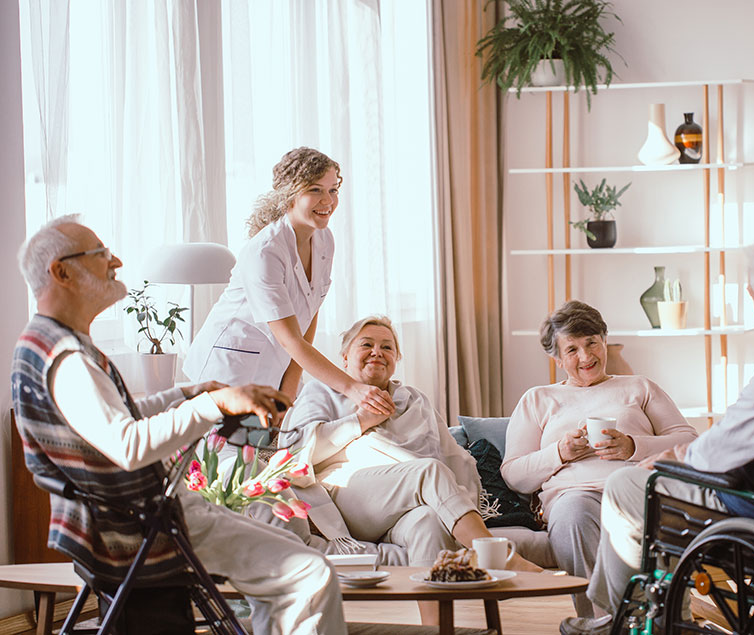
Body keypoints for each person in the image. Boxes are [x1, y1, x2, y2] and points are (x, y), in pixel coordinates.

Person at [11, 215, 346, 635]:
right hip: (145, 522)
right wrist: (212, 404)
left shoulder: (47, 345)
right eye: (100, 255)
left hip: (133, 515)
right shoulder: (70, 361)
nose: (115, 260)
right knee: (310, 574)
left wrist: (188, 393)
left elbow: (122, 416)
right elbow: (128, 444)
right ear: (61, 272)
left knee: (276, 523)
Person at [559, 231, 754, 635]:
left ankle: (624, 617)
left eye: (752, 297)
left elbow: (715, 456)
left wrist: (677, 458)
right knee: (651, 486)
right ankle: (647, 612)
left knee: (627, 486)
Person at [279, 315, 541, 625]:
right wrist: (361, 421)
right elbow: (296, 454)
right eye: (367, 344)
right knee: (426, 471)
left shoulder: (413, 400)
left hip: (410, 501)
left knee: (428, 522)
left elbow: (453, 457)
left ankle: (435, 628)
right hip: (349, 497)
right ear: (345, 356)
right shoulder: (322, 392)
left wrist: (462, 507)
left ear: (396, 359)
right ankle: (497, 555)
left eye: (387, 347)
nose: (377, 352)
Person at [501, 300, 698, 618]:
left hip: (636, 488)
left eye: (592, 342)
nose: (586, 356)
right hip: (574, 496)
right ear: (556, 358)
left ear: (604, 340)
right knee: (573, 515)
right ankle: (602, 622)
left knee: (658, 508)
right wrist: (560, 453)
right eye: (572, 349)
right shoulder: (538, 399)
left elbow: (690, 443)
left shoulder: (639, 387)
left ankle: (665, 617)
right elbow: (513, 474)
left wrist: (633, 446)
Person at [184, 147, 393, 418]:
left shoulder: (324, 239)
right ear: (289, 194)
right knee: (228, 458)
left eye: (333, 190)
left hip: (274, 364)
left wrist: (290, 387)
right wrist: (352, 388)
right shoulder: (265, 252)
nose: (327, 200)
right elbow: (291, 339)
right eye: (315, 190)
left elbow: (310, 312)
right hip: (227, 369)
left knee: (269, 454)